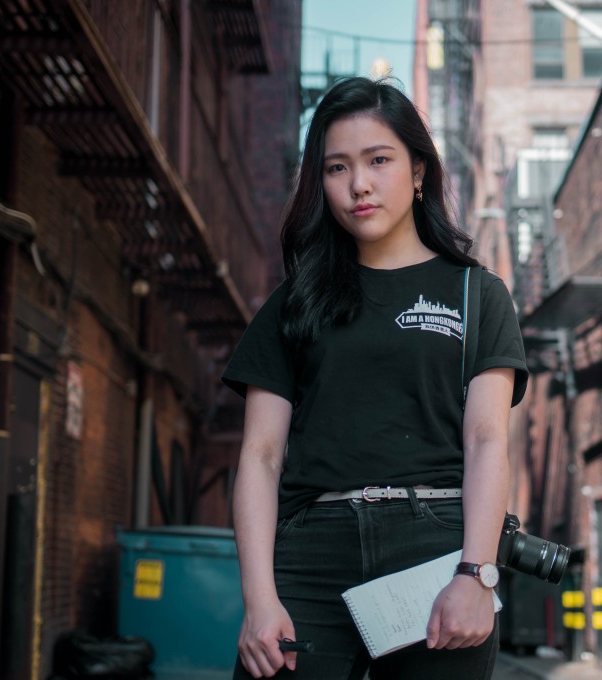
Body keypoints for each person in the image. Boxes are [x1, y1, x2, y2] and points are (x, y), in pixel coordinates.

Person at [222, 76, 528, 679]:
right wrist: (259, 600)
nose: (358, 183)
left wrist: (476, 572)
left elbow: (487, 441)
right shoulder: (295, 303)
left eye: (378, 160)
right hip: (311, 550)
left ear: (418, 172)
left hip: (436, 551)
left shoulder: (476, 296)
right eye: (337, 168)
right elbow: (259, 456)